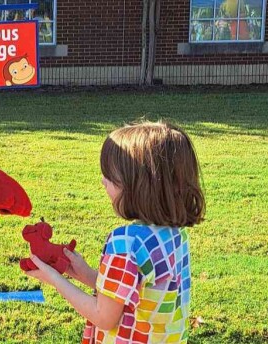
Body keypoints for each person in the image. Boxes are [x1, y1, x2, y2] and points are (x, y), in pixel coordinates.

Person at [25, 120, 205, 343]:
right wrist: (83, 273)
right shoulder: (174, 236)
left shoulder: (126, 243)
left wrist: (54, 280)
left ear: (139, 186)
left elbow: (104, 317)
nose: (102, 181)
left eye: (110, 176)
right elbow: (130, 294)